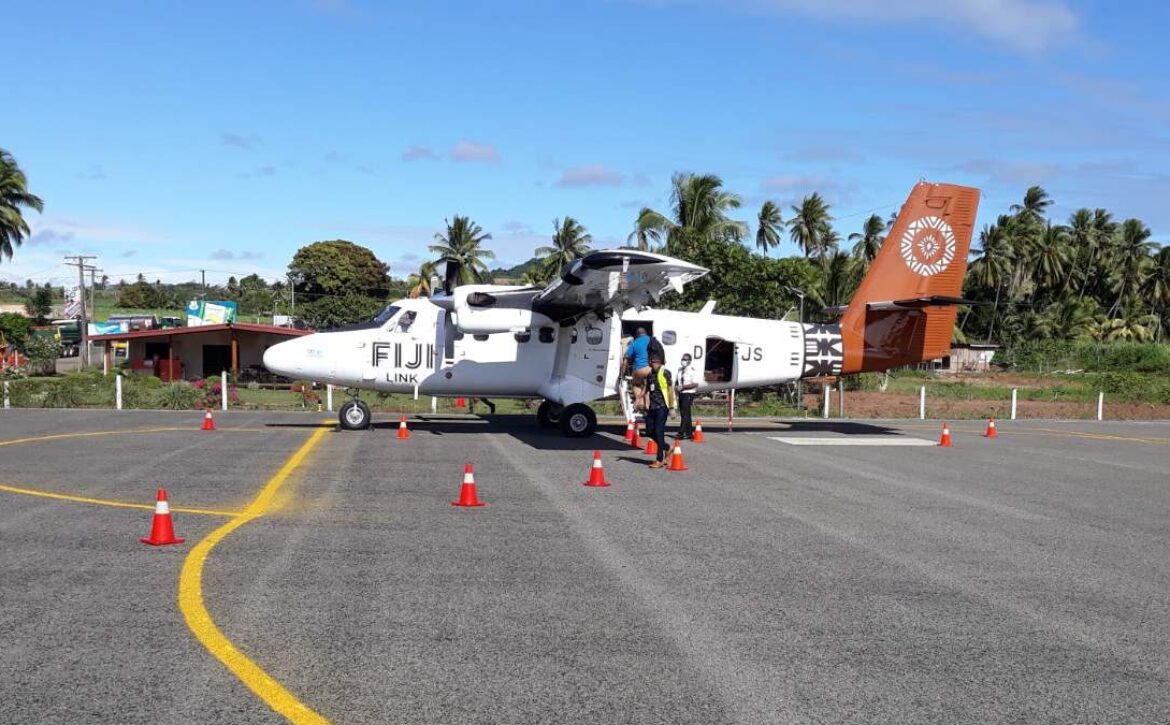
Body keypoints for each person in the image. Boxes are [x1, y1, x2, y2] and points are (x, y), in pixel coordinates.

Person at [644, 355, 674, 469]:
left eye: (653, 362)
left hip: (662, 406)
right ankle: (667, 448)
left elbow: (671, 390)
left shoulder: (665, 373)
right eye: (651, 362)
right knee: (649, 431)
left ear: (659, 363)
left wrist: (672, 407)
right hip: (652, 407)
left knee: (659, 431)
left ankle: (659, 459)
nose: (651, 364)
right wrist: (646, 403)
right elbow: (647, 390)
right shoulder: (650, 374)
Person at [624, 327, 652, 410]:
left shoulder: (634, 342)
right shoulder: (652, 340)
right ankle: (648, 405)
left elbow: (626, 358)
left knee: (636, 384)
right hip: (650, 369)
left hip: (639, 369)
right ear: (646, 333)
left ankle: (639, 402)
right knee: (648, 387)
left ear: (637, 334)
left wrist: (623, 371)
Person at [675, 353, 698, 439]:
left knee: (685, 413)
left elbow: (695, 384)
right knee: (685, 413)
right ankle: (689, 433)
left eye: (685, 359)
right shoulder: (680, 370)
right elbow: (677, 381)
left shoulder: (692, 371)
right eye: (682, 359)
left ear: (689, 361)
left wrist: (683, 387)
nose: (683, 361)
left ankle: (681, 433)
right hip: (681, 393)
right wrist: (677, 387)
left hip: (689, 393)